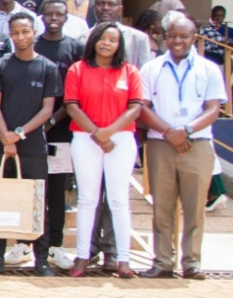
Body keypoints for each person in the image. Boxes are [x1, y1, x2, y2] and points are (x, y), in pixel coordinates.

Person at [137, 16, 227, 279]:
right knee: (162, 206)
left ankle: (192, 263)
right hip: (160, 144)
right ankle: (163, 261)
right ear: (165, 36)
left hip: (197, 145)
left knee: (195, 206)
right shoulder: (151, 68)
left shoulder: (209, 69)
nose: (177, 41)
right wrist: (168, 132)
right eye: (173, 35)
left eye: (184, 37)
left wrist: (185, 131)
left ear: (194, 39)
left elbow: (214, 108)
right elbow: (141, 107)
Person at [0, 12, 63, 277]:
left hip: (33, 145)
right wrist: (6, 137)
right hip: (1, 144)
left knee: (37, 201)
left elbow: (48, 109)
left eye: (25, 31)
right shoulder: (1, 66)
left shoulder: (47, 68)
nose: (21, 37)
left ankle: (41, 260)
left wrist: (19, 134)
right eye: (15, 32)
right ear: (10, 35)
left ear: (34, 32)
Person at [62, 22, 142, 278]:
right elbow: (72, 106)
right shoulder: (78, 69)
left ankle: (124, 260)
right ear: (94, 40)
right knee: (87, 200)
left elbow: (136, 107)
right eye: (103, 38)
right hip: (86, 138)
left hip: (120, 139)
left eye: (113, 40)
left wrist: (108, 133)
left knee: (119, 200)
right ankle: (82, 256)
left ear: (119, 45)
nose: (107, 43)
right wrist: (98, 134)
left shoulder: (129, 71)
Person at [33, 0, 86, 269]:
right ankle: (25, 242)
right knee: (31, 187)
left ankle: (55, 245)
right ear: (41, 17)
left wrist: (51, 121)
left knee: (56, 190)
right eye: (49, 14)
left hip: (60, 131)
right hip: (30, 131)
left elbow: (74, 94)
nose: (53, 18)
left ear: (66, 18)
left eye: (59, 14)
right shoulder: (33, 45)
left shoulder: (75, 48)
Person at [85, 0, 152, 69]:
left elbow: (144, 71)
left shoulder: (139, 38)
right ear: (94, 8)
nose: (105, 8)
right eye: (101, 3)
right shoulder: (81, 37)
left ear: (120, 10)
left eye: (111, 4)